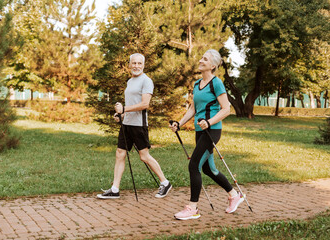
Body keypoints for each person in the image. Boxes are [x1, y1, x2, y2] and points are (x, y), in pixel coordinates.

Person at [169, 49, 244, 220]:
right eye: (202, 57)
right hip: (199, 130)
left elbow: (226, 109)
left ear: (213, 66)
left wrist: (210, 122)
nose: (201, 60)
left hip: (212, 131)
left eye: (205, 59)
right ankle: (234, 195)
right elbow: (193, 109)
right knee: (208, 169)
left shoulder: (216, 83)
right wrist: (179, 124)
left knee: (194, 165)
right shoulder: (197, 84)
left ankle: (192, 208)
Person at [97, 53, 172, 199]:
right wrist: (121, 115)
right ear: (130, 64)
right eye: (134, 63)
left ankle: (165, 182)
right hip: (127, 124)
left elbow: (145, 104)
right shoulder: (130, 81)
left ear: (143, 65)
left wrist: (124, 109)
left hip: (139, 125)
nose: (136, 66)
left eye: (139, 63)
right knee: (120, 153)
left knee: (144, 156)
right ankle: (115, 189)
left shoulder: (146, 81)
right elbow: (131, 104)